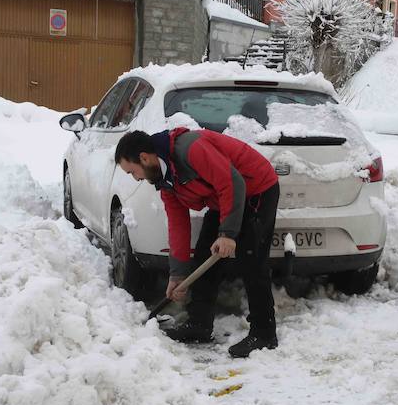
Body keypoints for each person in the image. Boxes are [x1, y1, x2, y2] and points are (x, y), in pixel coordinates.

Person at [114, 128, 280, 358]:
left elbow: (233, 182)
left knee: (252, 261)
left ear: (144, 157)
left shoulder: (191, 149)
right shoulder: (166, 181)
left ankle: (264, 333)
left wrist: (228, 234)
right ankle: (199, 324)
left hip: (256, 188)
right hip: (223, 198)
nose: (137, 178)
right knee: (204, 255)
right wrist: (177, 275)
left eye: (133, 172)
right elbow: (178, 225)